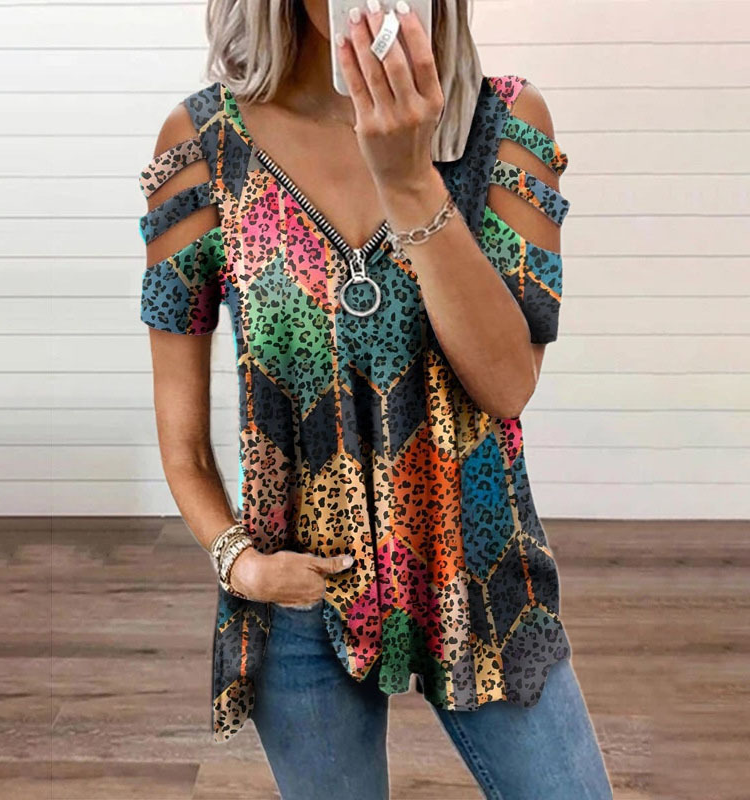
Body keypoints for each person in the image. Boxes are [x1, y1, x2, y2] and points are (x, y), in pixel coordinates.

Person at [138, 1, 614, 797]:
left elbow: (507, 384)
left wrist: (409, 178)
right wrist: (243, 567)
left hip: (483, 580)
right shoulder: (204, 146)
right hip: (303, 598)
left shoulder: (505, 124)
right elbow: (182, 442)